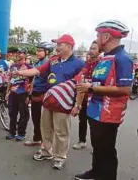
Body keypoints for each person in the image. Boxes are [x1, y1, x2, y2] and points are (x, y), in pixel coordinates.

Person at [13, 34, 84, 169]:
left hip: (63, 103)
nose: (56, 48)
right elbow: (38, 71)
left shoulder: (79, 63)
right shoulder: (53, 60)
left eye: (59, 45)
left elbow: (81, 86)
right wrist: (20, 73)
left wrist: (78, 105)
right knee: (46, 128)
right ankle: (46, 151)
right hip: (48, 100)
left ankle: (60, 156)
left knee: (61, 131)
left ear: (69, 46)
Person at [74, 20, 133, 180]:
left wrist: (91, 88)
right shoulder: (105, 57)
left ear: (106, 36)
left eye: (98, 34)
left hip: (108, 114)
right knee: (97, 147)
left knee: (106, 150)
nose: (97, 37)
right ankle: (95, 172)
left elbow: (125, 89)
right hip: (95, 110)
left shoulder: (122, 58)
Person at [72, 41, 102, 150]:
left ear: (100, 51)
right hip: (84, 97)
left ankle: (97, 147)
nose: (91, 50)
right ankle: (82, 141)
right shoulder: (86, 64)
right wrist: (78, 103)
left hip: (95, 99)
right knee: (82, 120)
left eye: (94, 48)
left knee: (95, 124)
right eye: (91, 48)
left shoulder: (102, 64)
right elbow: (80, 80)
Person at [24, 42, 53, 147]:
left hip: (44, 94)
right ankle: (37, 139)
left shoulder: (48, 63)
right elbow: (34, 80)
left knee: (44, 121)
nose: (37, 52)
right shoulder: (37, 63)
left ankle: (45, 144)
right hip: (35, 93)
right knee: (36, 118)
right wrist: (29, 95)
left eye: (40, 50)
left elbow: (50, 81)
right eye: (37, 50)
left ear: (47, 52)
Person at [5, 47, 32, 141]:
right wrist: (7, 92)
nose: (19, 54)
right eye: (18, 53)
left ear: (25, 55)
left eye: (21, 53)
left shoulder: (30, 68)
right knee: (12, 114)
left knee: (24, 115)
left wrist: (29, 95)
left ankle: (21, 133)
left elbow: (33, 82)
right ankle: (12, 132)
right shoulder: (13, 67)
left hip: (23, 93)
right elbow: (9, 80)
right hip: (13, 93)